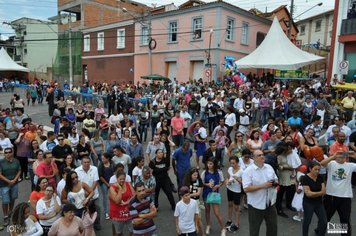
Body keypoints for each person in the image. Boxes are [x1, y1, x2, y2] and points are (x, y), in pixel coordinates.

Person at [242, 150, 278, 236]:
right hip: (256, 205)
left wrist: (275, 183)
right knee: (254, 230)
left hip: (270, 203)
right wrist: (263, 185)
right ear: (253, 158)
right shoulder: (248, 171)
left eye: (262, 154)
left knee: (273, 227)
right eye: (259, 155)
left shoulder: (269, 167)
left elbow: (276, 179)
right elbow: (246, 189)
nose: (262, 156)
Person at [321, 151, 356, 236]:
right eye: (339, 156)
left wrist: (355, 156)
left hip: (345, 197)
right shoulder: (331, 163)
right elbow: (322, 163)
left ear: (346, 157)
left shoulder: (350, 165)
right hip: (331, 196)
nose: (341, 158)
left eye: (343, 156)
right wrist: (333, 156)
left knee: (345, 219)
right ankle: (320, 231)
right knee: (325, 217)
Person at [300, 161, 327, 236]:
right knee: (307, 221)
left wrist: (314, 194)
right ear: (310, 169)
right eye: (315, 169)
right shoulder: (305, 178)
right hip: (308, 203)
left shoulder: (320, 177)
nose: (317, 171)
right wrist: (319, 193)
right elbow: (308, 194)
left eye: (319, 170)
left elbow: (324, 191)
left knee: (324, 221)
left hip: (319, 203)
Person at [75, 156, 101, 230]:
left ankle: (97, 224)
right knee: (85, 212)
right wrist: (88, 194)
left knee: (97, 210)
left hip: (94, 195)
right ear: (81, 163)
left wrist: (90, 192)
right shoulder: (77, 170)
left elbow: (95, 181)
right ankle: (86, 225)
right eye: (85, 162)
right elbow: (78, 183)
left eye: (88, 162)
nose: (86, 164)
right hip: (83, 196)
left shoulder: (94, 169)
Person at [201, 158, 226, 236]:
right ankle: (208, 225)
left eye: (211, 164)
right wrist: (207, 184)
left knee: (217, 213)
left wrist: (218, 185)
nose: (209, 165)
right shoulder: (204, 172)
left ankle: (223, 228)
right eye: (208, 163)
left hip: (214, 194)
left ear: (214, 164)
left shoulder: (219, 172)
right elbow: (202, 183)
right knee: (207, 211)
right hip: (206, 193)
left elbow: (222, 181)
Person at [109, 171, 134, 236]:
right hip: (117, 213)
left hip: (128, 212)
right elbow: (117, 201)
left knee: (133, 230)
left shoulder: (128, 184)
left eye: (123, 179)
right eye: (120, 179)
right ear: (116, 179)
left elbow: (134, 195)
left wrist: (128, 202)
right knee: (119, 233)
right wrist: (120, 189)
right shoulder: (112, 188)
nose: (122, 180)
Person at [0, 147, 21, 226]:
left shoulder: (16, 161)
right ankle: (5, 216)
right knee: (5, 201)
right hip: (4, 184)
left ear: (12, 153)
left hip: (14, 183)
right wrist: (9, 181)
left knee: (13, 198)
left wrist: (14, 180)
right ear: (4, 153)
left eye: (9, 152)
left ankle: (10, 212)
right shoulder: (1, 162)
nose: (8, 154)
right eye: (6, 152)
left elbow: (19, 170)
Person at [225, 156, 243, 233]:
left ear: (237, 162)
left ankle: (236, 223)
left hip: (237, 191)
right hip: (229, 189)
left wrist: (239, 180)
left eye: (234, 163)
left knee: (236, 207)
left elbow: (244, 182)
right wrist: (227, 181)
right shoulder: (229, 169)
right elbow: (227, 177)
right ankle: (229, 220)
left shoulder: (242, 171)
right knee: (229, 204)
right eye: (231, 163)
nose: (232, 165)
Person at [98, 152, 115, 220]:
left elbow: (114, 172)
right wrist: (107, 184)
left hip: (112, 182)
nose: (102, 160)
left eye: (104, 158)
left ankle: (113, 211)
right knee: (105, 197)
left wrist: (112, 182)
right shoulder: (101, 165)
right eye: (102, 159)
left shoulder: (112, 163)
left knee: (113, 196)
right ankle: (106, 212)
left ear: (108, 158)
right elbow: (100, 176)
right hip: (104, 183)